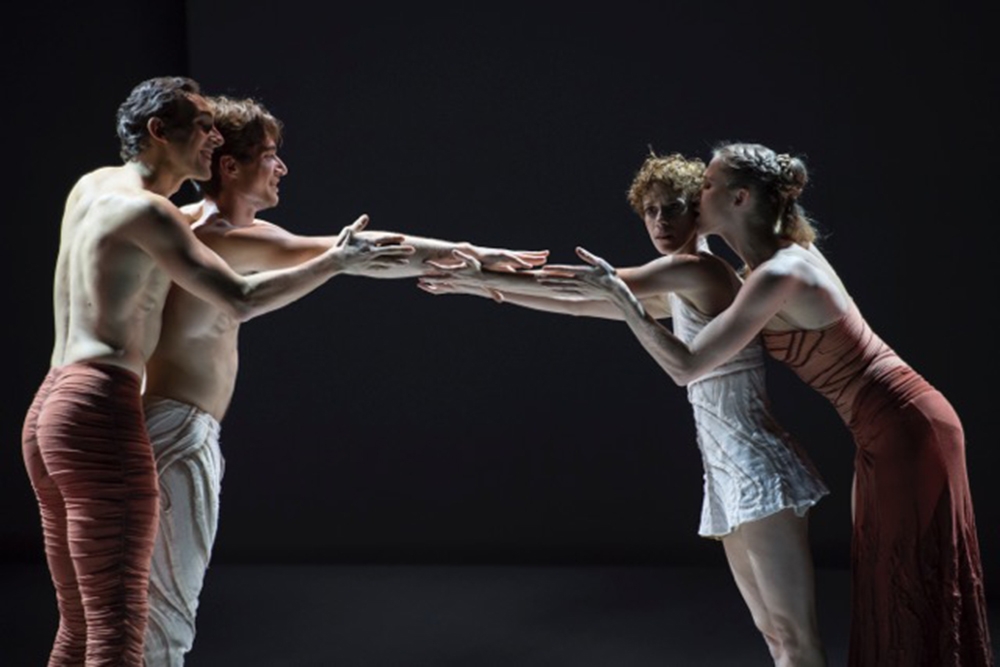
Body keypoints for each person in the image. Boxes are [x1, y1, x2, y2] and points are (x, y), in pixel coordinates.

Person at [520, 142, 994, 666]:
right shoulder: (757, 273)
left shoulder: (780, 272)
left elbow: (684, 364)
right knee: (890, 580)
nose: (696, 194)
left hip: (908, 424)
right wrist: (479, 275)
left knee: (907, 581)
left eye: (707, 186)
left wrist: (623, 301)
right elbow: (587, 299)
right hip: (887, 426)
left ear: (740, 198)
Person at [20, 76, 419, 667]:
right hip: (99, 408)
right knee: (119, 631)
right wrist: (336, 261)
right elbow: (238, 298)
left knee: (79, 629)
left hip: (49, 413)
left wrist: (470, 259)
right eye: (204, 126)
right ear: (159, 131)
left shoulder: (92, 185)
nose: (214, 138)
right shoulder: (151, 212)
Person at [139, 94, 550, 667]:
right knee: (164, 620)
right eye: (270, 155)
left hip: (167, 427)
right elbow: (358, 253)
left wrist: (469, 259)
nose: (282, 167)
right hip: (177, 432)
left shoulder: (206, 230)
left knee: (145, 611)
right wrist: (476, 255)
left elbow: (351, 255)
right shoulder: (219, 236)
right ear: (229, 166)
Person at [418, 152, 830, 666]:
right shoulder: (680, 284)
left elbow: (593, 284)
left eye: (672, 208)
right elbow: (582, 303)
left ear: (697, 211)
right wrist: (485, 287)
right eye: (650, 211)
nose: (660, 222)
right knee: (774, 634)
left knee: (794, 636)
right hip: (727, 467)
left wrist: (482, 276)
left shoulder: (697, 269)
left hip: (756, 463)